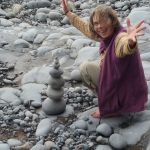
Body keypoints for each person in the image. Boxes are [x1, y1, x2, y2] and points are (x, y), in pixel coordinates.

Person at [61, 0, 148, 118]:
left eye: (103, 22)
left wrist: (131, 42)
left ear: (112, 21)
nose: (99, 26)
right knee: (97, 66)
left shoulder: (120, 36)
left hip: (126, 87)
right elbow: (86, 28)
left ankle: (113, 106)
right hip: (122, 80)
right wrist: (68, 13)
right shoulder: (106, 34)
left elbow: (124, 46)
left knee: (85, 68)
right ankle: (111, 98)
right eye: (96, 23)